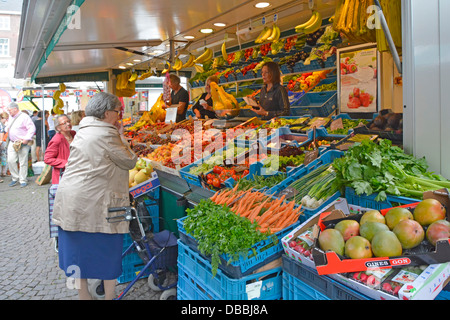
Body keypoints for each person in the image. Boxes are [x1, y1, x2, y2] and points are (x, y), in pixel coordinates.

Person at [52, 92, 137, 300]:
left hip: (72, 201)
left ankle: (84, 296)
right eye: (118, 112)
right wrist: (122, 134)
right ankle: (109, 297)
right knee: (107, 251)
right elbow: (130, 161)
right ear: (107, 113)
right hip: (94, 203)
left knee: (76, 253)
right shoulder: (107, 134)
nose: (119, 116)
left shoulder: (84, 129)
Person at [44, 114, 76, 252]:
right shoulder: (57, 139)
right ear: (58, 127)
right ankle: (58, 238)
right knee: (61, 210)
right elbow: (48, 158)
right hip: (62, 178)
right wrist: (64, 163)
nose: (68, 124)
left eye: (68, 121)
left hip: (75, 176)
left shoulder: (74, 134)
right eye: (64, 123)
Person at [5, 102, 36, 187]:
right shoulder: (11, 117)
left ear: (15, 109)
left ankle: (22, 179)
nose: (9, 112)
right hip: (12, 142)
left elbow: (31, 128)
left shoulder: (24, 117)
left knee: (23, 161)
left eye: (9, 110)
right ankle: (15, 178)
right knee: (10, 160)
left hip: (22, 142)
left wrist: (26, 138)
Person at [0, 112, 9, 182]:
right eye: (5, 119)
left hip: (3, 143)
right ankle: (3, 172)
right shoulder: (1, 124)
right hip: (3, 142)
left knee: (3, 158)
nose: (6, 120)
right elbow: (2, 133)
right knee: (3, 158)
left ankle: (3, 172)